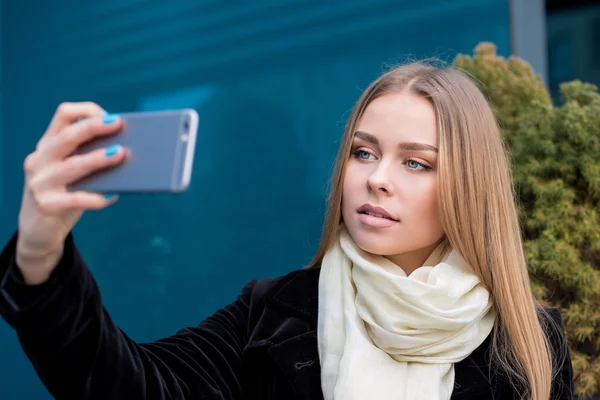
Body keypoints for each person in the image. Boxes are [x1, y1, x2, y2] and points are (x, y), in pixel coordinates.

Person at [0, 62, 573, 400]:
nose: (377, 179)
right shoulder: (274, 315)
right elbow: (125, 385)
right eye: (363, 153)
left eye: (416, 163)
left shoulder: (528, 343)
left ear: (468, 187)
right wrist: (40, 252)